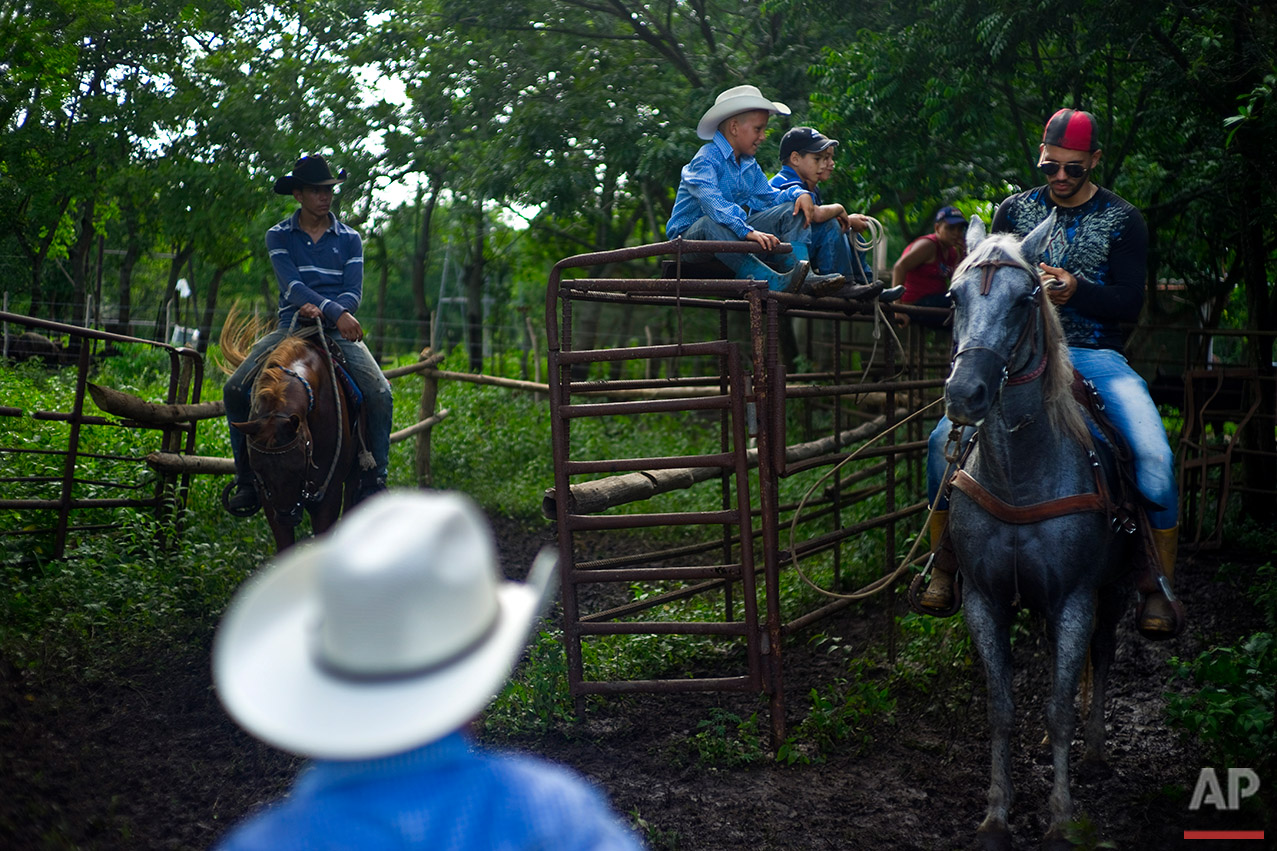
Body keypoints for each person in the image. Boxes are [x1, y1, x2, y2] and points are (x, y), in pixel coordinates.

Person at [212, 490, 646, 851]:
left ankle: (363, 466)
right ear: (478, 684)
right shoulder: (553, 813)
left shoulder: (260, 842)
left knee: (374, 397)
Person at [916, 108, 1183, 639]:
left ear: (1094, 162)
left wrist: (1076, 290)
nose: (1060, 178)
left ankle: (1158, 584)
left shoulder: (1124, 220)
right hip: (1017, 360)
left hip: (1095, 354)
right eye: (1050, 167)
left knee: (1155, 455)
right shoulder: (1012, 211)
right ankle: (944, 563)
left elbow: (1131, 303)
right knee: (940, 442)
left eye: (1073, 169)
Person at [222, 154, 392, 514]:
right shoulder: (279, 235)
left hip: (338, 331)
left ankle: (374, 479)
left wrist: (338, 312)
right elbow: (293, 286)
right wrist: (333, 309)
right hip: (292, 329)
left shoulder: (349, 239)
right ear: (298, 195)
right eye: (316, 191)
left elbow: (353, 291)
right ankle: (247, 480)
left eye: (329, 189)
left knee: (380, 392)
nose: (325, 196)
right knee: (235, 388)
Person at [665, 85, 845, 296]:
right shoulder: (706, 158)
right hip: (690, 241)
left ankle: (802, 274)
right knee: (710, 222)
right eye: (758, 129)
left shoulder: (749, 165)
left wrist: (800, 194)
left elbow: (769, 199)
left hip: (731, 235)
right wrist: (747, 231)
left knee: (790, 208)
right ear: (734, 128)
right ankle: (763, 278)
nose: (763, 137)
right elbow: (713, 203)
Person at [768, 126, 875, 288]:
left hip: (797, 245)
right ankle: (841, 284)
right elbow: (816, 216)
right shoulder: (786, 181)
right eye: (818, 159)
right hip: (778, 251)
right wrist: (839, 209)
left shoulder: (808, 186)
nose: (826, 164)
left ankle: (864, 282)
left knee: (848, 232)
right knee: (831, 225)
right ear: (795, 159)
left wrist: (847, 221)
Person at [892, 206, 968, 325]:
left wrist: (961, 257)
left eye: (960, 229)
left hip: (935, 303)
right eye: (951, 228)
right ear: (937, 228)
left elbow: (955, 284)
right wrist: (897, 309)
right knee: (962, 300)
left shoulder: (952, 252)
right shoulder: (928, 245)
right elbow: (899, 267)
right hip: (914, 304)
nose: (956, 234)